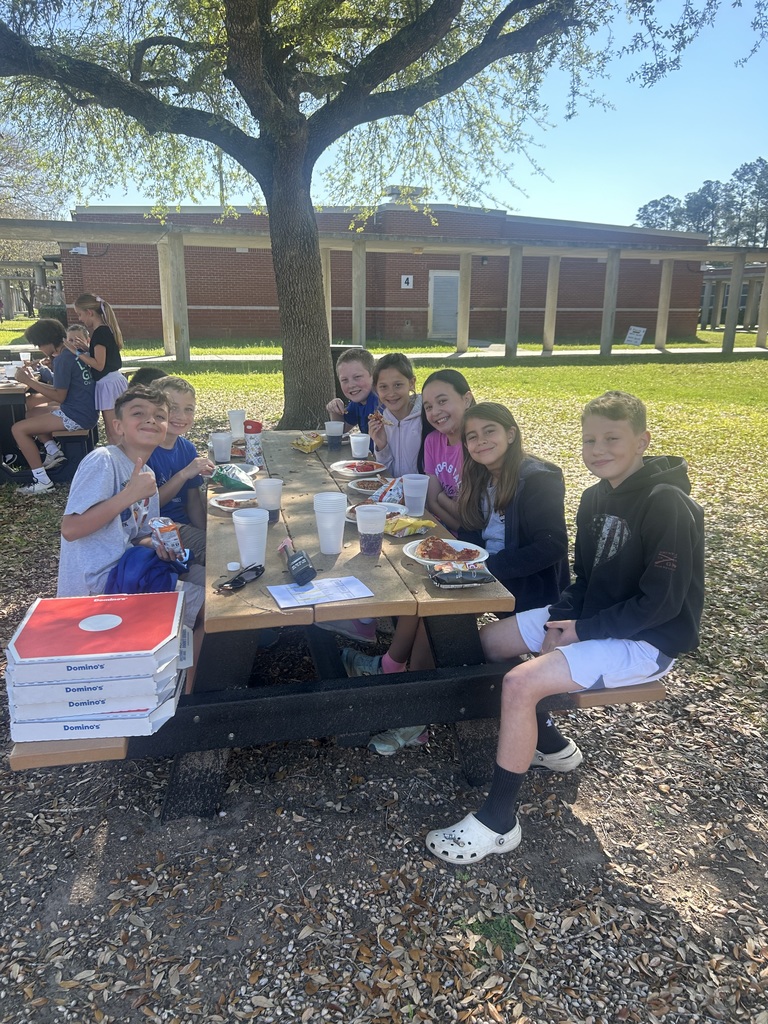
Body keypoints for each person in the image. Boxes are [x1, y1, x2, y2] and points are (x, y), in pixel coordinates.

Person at [426, 390, 705, 865]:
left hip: (645, 640)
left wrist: (582, 631)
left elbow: (661, 602)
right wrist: (563, 618)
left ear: (642, 441)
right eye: (589, 439)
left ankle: (499, 822)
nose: (598, 449)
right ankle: (550, 745)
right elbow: (585, 579)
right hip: (592, 619)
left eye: (611, 438)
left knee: (519, 683)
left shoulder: (668, 504)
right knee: (486, 644)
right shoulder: (596, 497)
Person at [343, 400, 571, 755]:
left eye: (489, 432)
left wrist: (484, 568)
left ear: (511, 434)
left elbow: (552, 546)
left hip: (525, 586)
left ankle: (413, 714)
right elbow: (474, 532)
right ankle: (399, 675)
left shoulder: (539, 478)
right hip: (485, 570)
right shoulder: (481, 476)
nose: (480, 442)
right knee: (423, 585)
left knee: (440, 612)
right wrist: (453, 555)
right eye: (472, 437)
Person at [58, 384, 206, 684]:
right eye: (139, 414)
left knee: (211, 577)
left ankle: (173, 675)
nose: (151, 420)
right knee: (212, 607)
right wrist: (128, 495)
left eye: (159, 416)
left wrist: (159, 546)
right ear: (118, 425)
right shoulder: (104, 460)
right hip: (101, 587)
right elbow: (71, 529)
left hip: (133, 570)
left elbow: (136, 535)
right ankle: (190, 697)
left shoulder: (147, 475)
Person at [8, 318, 98, 495]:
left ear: (48, 341)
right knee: (31, 413)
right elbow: (60, 389)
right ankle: (53, 451)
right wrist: (33, 382)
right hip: (84, 409)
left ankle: (41, 480)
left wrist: (28, 381)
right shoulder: (71, 353)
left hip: (77, 414)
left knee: (18, 429)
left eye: (39, 345)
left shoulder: (64, 359)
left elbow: (59, 396)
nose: (39, 349)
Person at [147, 376, 214, 564]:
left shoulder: (187, 448)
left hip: (184, 525)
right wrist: (184, 474)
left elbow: (193, 501)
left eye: (188, 409)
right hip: (157, 530)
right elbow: (151, 505)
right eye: (173, 408)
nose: (181, 416)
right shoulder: (145, 450)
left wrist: (206, 532)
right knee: (219, 550)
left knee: (220, 539)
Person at [66, 293, 128, 445]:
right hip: (110, 382)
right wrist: (87, 349)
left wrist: (77, 352)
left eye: (80, 314)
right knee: (114, 429)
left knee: (114, 432)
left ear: (90, 312)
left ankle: (123, 464)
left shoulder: (100, 332)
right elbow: (104, 360)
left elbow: (99, 365)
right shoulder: (104, 330)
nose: (80, 319)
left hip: (109, 385)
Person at [420, 369, 475, 534]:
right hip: (442, 532)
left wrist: (442, 497)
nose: (435, 412)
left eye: (442, 401)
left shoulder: (478, 446)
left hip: (473, 540)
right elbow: (432, 502)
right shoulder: (432, 441)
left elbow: (471, 518)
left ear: (466, 399)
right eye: (428, 407)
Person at [367, 353, 423, 476]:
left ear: (411, 383)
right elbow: (386, 473)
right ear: (376, 389)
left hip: (423, 492)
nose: (391, 393)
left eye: (398, 385)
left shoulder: (426, 418)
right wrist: (382, 446)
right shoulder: (383, 421)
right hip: (394, 491)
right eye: (383, 387)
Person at [325, 347, 378, 434]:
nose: (351, 385)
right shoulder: (357, 402)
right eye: (344, 380)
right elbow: (341, 430)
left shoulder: (381, 403)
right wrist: (335, 410)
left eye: (357, 377)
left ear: (373, 375)